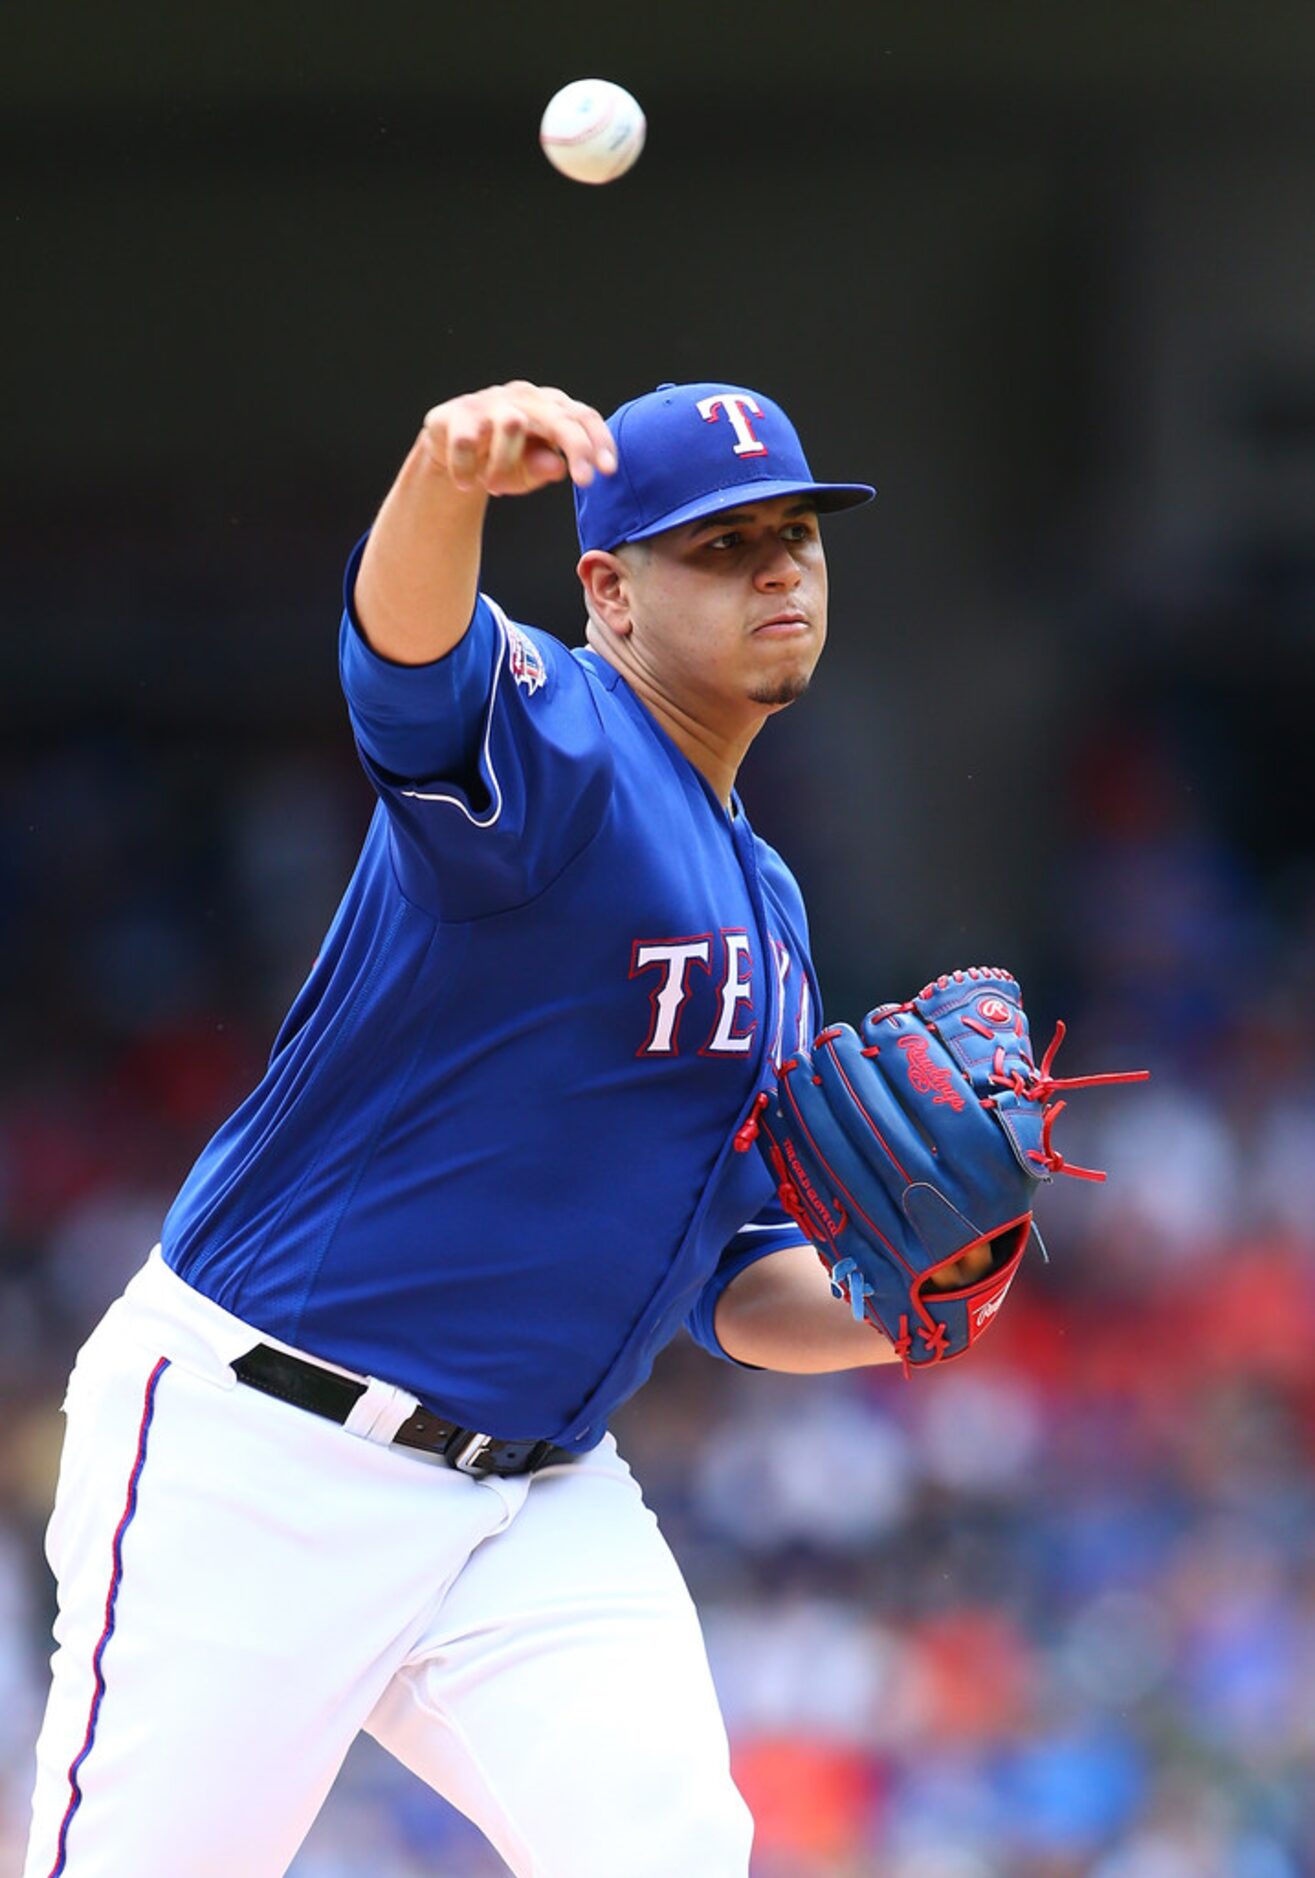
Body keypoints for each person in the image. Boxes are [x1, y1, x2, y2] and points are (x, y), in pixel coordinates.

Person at [23, 379, 993, 1878]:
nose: (780, 568)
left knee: (670, 1847)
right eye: (722, 544)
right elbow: (404, 671)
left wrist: (917, 1305)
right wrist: (445, 478)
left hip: (529, 1501)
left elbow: (729, 1280)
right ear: (607, 587)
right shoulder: (565, 746)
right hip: (265, 1451)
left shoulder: (774, 911)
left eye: (794, 534)